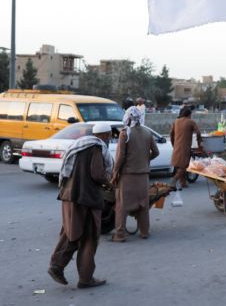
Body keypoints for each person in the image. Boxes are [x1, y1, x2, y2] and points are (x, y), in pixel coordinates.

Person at [48, 123, 113, 289]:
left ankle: (56, 265)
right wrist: (109, 183)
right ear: (105, 135)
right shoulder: (96, 148)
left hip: (69, 195)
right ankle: (86, 278)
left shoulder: (78, 145)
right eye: (110, 135)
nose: (110, 138)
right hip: (87, 198)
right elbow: (97, 174)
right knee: (89, 238)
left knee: (70, 232)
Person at [110, 107, 159, 242]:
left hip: (128, 176)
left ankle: (120, 234)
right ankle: (144, 232)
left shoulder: (125, 134)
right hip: (143, 177)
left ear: (127, 117)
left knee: (122, 206)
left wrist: (114, 173)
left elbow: (120, 157)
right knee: (143, 205)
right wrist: (145, 159)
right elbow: (156, 152)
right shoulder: (147, 133)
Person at [169, 107, 202, 189]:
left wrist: (174, 144)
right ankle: (174, 179)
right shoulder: (191, 122)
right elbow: (198, 132)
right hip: (185, 147)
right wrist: (199, 143)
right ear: (189, 114)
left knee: (179, 165)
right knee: (184, 165)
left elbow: (171, 134)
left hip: (177, 146)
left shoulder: (176, 121)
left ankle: (183, 183)